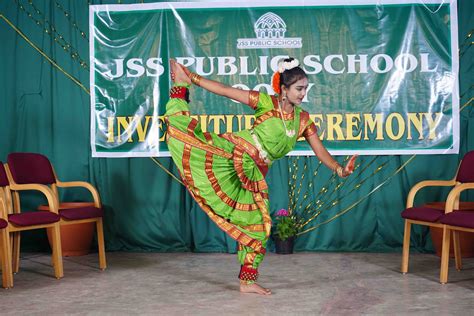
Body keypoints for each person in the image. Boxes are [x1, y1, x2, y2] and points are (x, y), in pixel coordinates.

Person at [164, 58, 357, 295]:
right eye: (299, 88)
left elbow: (320, 151)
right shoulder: (266, 103)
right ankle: (179, 89)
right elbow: (226, 91)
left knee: (259, 226)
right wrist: (192, 78)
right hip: (233, 154)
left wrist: (340, 169)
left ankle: (247, 281)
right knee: (186, 137)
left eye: (306, 88)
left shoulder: (303, 120)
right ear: (283, 90)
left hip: (253, 172)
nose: (303, 94)